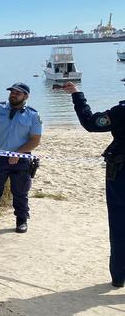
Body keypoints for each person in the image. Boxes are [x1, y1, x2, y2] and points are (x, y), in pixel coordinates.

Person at [62, 81, 125, 288]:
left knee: (119, 226)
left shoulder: (120, 112)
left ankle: (118, 277)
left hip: (120, 174)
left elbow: (91, 122)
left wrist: (77, 94)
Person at [0, 82, 42, 233]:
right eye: (12, 91)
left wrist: (18, 153)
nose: (14, 94)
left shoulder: (33, 115)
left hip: (21, 160)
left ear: (26, 96)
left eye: (18, 93)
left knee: (20, 192)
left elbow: (35, 140)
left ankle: (21, 220)